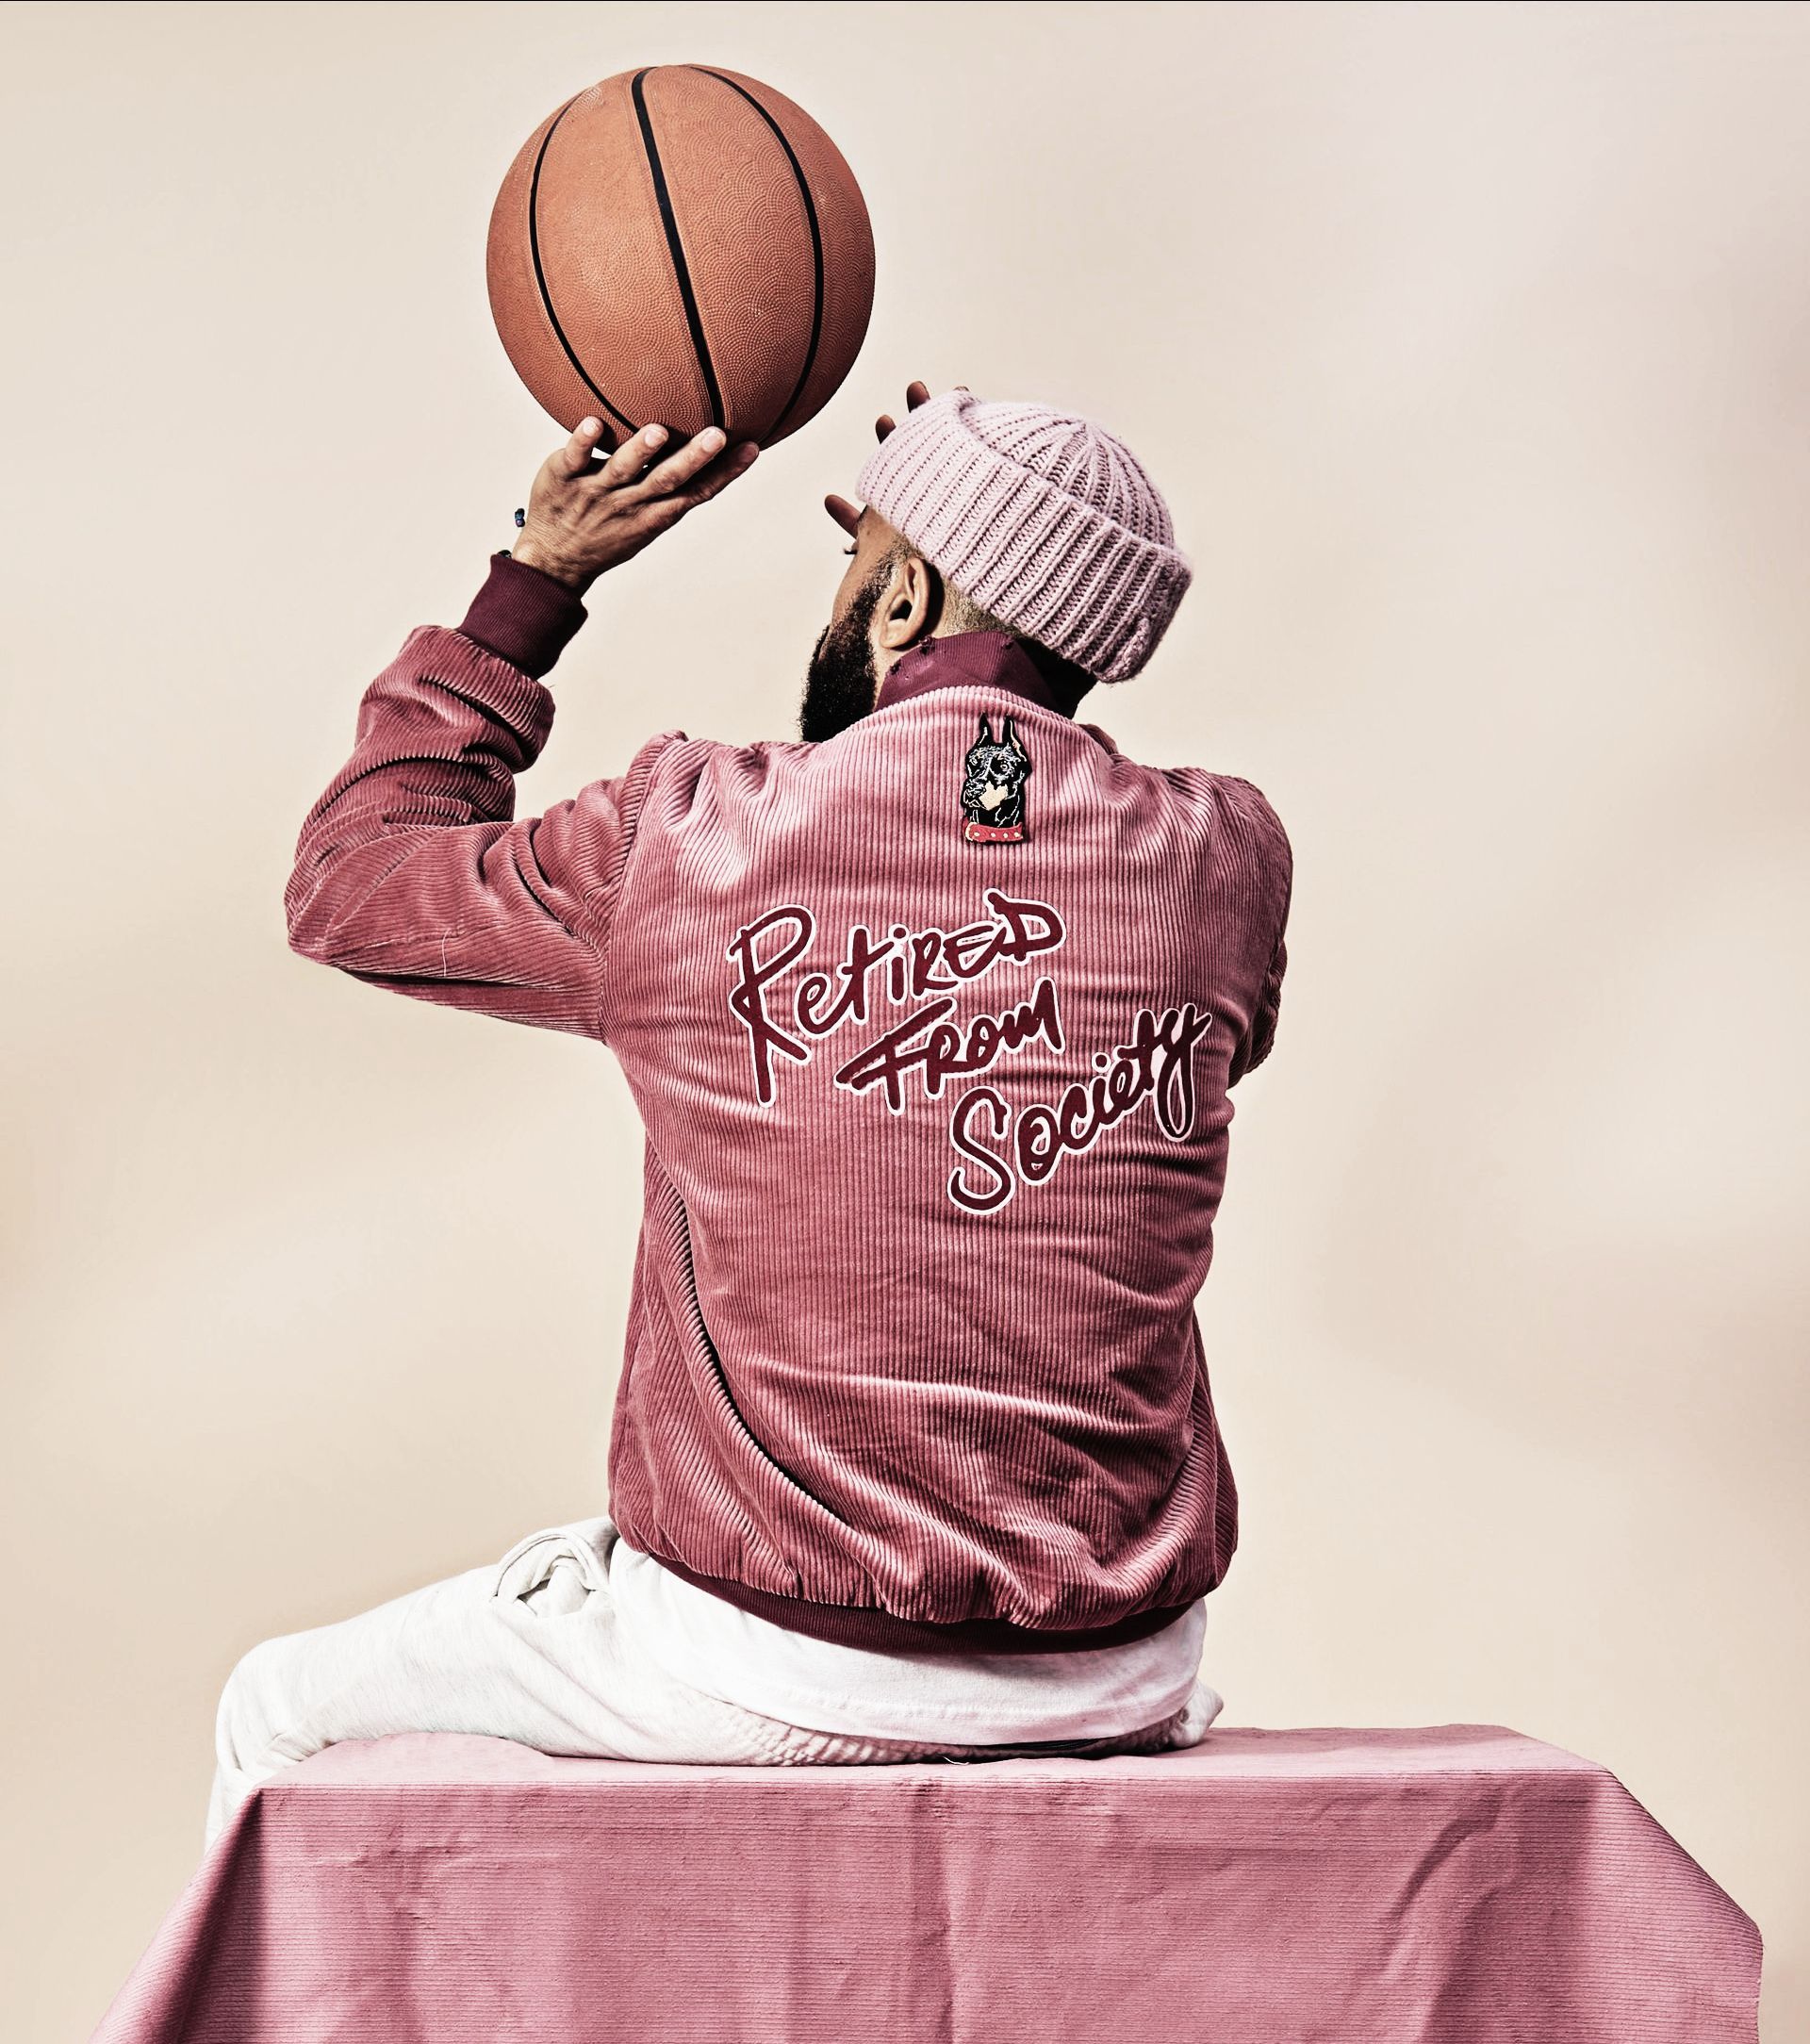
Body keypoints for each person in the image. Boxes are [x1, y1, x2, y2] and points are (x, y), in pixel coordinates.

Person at [206, 381, 1293, 1848]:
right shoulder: (1224, 862)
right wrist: (976, 508)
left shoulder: (692, 837)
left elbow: (352, 883)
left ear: (899, 595)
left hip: (780, 1654)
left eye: (858, 568)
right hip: (1122, 1664)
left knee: (275, 1706)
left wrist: (541, 574)